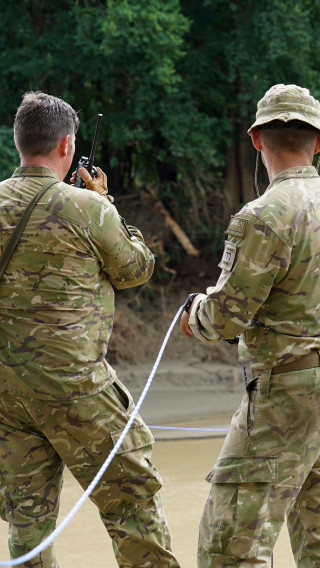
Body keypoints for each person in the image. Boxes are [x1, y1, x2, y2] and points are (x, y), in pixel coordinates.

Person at [180, 84, 320, 567]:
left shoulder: (264, 215)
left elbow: (226, 317)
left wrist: (196, 315)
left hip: (286, 391)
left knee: (231, 547)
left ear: (256, 139)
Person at [0, 92, 181, 568]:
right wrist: (105, 203)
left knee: (27, 523)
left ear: (19, 143)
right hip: (75, 390)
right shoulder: (87, 208)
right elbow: (136, 268)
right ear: (66, 146)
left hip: (5, 392)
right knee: (134, 501)